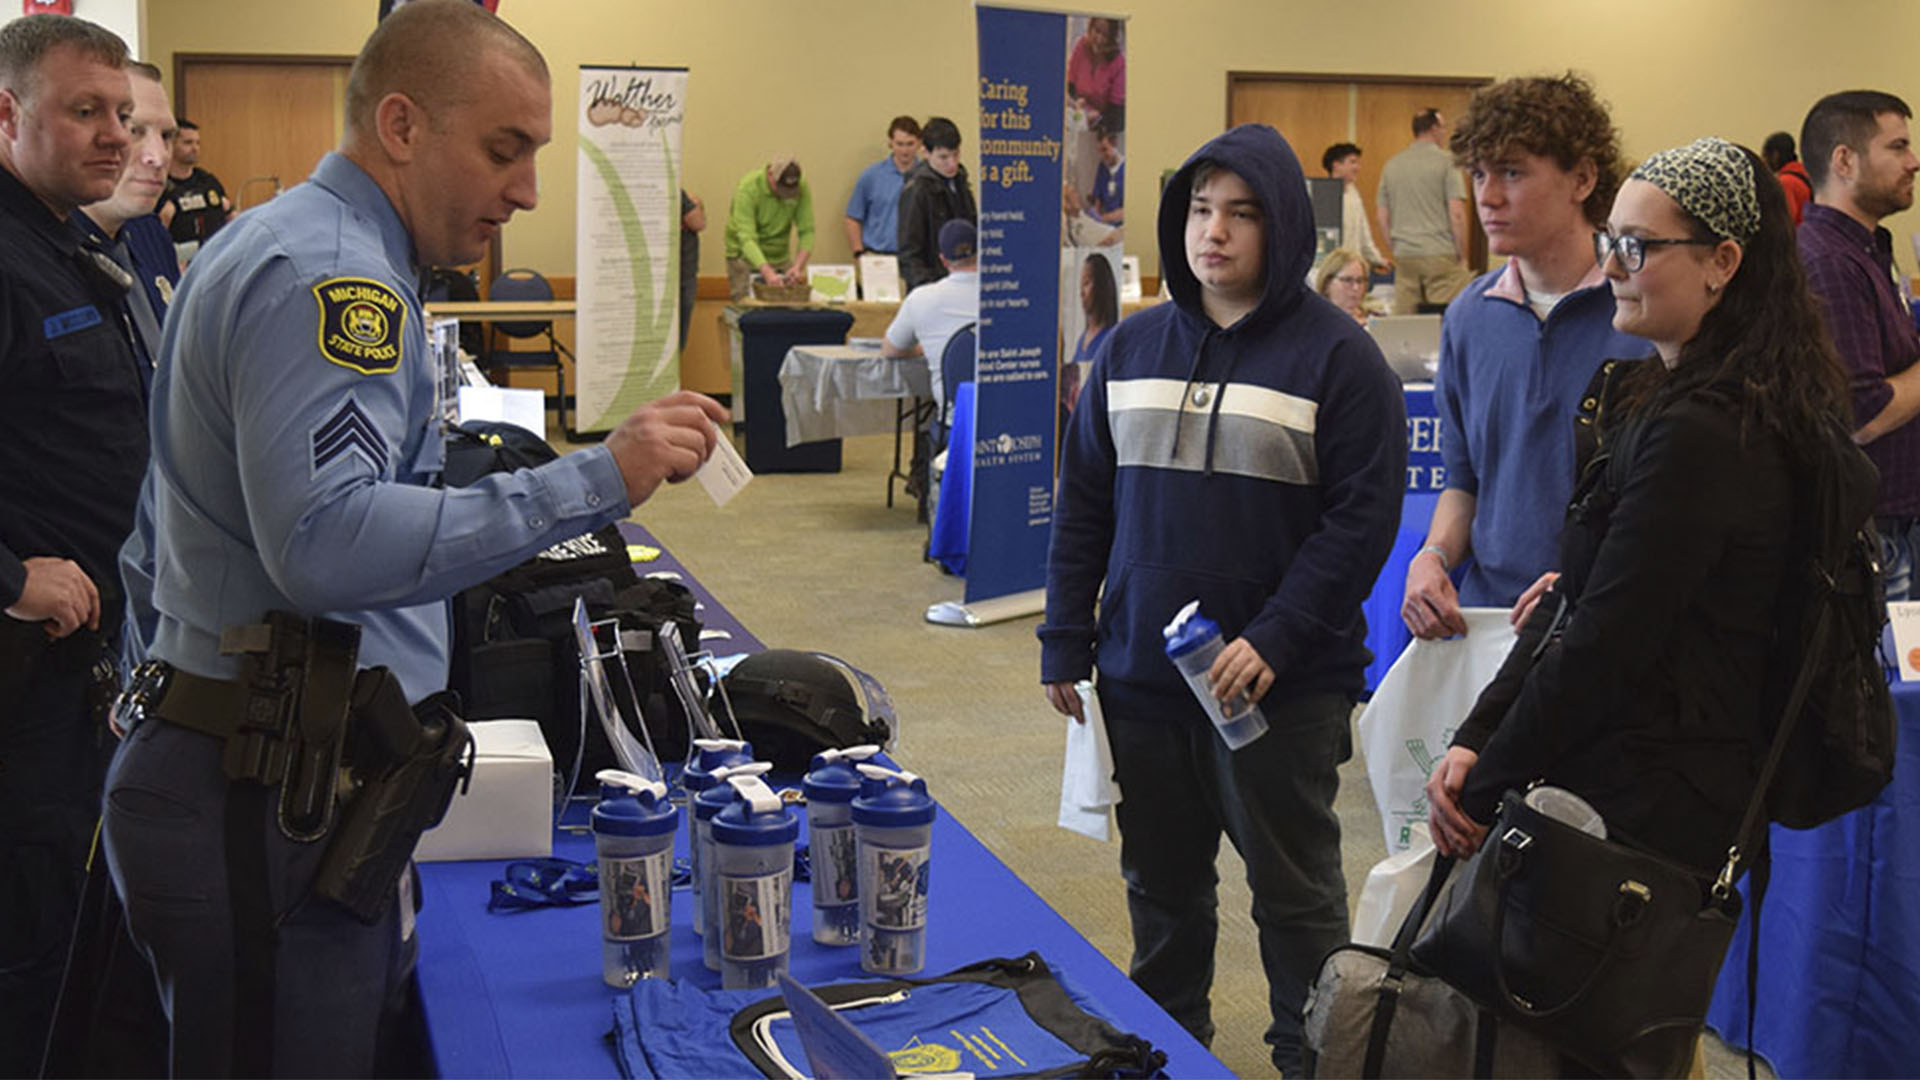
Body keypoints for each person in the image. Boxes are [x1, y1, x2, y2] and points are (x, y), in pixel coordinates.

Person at [100, 4, 731, 1075]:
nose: (527, 188)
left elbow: (158, 541)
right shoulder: (331, 277)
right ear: (400, 124)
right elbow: (326, 542)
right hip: (259, 794)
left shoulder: (295, 243)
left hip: (262, 769)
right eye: (503, 149)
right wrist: (598, 478)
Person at [1039, 124, 1405, 1076]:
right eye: (1201, 210)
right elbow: (1084, 504)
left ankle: (1312, 1064)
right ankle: (1170, 1055)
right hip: (1142, 684)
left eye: (1241, 214)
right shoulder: (1128, 348)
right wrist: (1063, 637)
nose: (1215, 233)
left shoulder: (1341, 361)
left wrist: (1276, 639)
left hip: (1279, 691)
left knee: (1295, 905)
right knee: (1161, 898)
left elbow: (1359, 528)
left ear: (1281, 226)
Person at [1426, 137, 1847, 959]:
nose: (1613, 264)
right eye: (1610, 240)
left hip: (1659, 799)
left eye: (1638, 246)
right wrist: (1481, 737)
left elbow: (1606, 639)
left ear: (1723, 262)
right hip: (1633, 777)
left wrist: (1485, 779)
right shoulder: (1661, 396)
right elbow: (1573, 599)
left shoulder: (1711, 429)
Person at [0, 16, 138, 1075]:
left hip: (83, 658)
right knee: (28, 935)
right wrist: (9, 578)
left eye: (122, 115)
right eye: (85, 111)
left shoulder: (73, 241)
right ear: (9, 113)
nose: (115, 136)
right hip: (20, 676)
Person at [1402, 73, 1643, 640]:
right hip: (1489, 621)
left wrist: (1583, 583)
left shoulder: (1643, 313)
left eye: (1512, 172)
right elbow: (1464, 482)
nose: (1486, 197)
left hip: (1610, 621)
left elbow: (1671, 503)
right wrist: (1432, 556)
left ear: (1582, 178)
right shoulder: (1469, 316)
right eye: (1480, 173)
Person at [1797, 90, 1920, 598]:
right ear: (1844, 160)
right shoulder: (1830, 263)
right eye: (1897, 147)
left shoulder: (1866, 249)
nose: (1914, 161)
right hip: (1878, 531)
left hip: (1894, 518)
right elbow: (1862, 414)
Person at [76, 60, 178, 386]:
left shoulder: (149, 232)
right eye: (135, 130)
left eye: (167, 135)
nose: (158, 156)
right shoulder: (41, 255)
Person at [1376, 107, 1473, 314]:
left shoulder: (1392, 165)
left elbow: (1382, 215)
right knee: (1443, 318)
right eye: (1443, 128)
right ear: (1434, 128)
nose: (1444, 133)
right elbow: (1456, 213)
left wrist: (1394, 246)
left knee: (1406, 323)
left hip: (1404, 254)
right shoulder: (1448, 162)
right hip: (1439, 253)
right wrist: (1462, 255)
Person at [882, 217, 979, 418]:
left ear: (943, 260)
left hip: (955, 424)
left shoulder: (921, 298)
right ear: (981, 253)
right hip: (1004, 422)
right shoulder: (1006, 296)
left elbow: (890, 350)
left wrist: (921, 349)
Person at [898, 116, 976, 292]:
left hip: (962, 281)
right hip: (932, 288)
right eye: (943, 157)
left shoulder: (960, 181)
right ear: (925, 153)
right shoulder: (916, 189)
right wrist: (931, 290)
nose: (952, 163)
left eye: (956, 154)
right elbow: (909, 254)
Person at [723, 155, 813, 300]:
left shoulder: (800, 186)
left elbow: (807, 230)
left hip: (779, 255)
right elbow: (747, 238)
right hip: (743, 256)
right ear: (770, 175)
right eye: (781, 188)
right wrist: (767, 272)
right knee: (746, 306)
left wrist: (798, 266)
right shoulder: (747, 189)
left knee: (788, 305)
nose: (785, 195)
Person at [844, 115, 920, 260]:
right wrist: (859, 253)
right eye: (900, 144)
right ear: (890, 143)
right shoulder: (871, 176)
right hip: (877, 257)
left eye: (910, 144)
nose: (905, 150)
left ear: (919, 144)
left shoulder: (927, 178)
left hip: (915, 258)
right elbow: (852, 217)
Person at [158, 117, 231, 259]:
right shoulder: (160, 185)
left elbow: (231, 215)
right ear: (170, 145)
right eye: (188, 143)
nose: (195, 148)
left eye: (198, 143)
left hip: (213, 257)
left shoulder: (207, 181)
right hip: (178, 262)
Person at [1064, 251, 1119, 421]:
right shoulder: (1082, 338)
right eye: (1081, 284)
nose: (1082, 292)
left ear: (1101, 287)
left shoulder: (1110, 339)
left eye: (1087, 283)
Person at [1321, 142, 1388, 272]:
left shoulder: (1353, 193)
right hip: (1332, 268)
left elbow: (1364, 235)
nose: (1358, 167)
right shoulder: (1324, 195)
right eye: (1352, 162)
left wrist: (1377, 259)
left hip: (1354, 265)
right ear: (1336, 165)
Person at [1066, 16, 1125, 120]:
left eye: (1105, 35)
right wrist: (1078, 100)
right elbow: (1070, 84)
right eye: (1097, 31)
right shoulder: (1081, 45)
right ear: (1090, 27)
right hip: (1078, 113)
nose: (1099, 39)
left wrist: (1099, 116)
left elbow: (1116, 111)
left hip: (1102, 122)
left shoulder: (1118, 62)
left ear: (1112, 38)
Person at [1763, 130, 1814, 225]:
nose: (1764, 162)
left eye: (1765, 156)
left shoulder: (1785, 183)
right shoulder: (1806, 174)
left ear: (1775, 155)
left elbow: (1785, 223)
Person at [1314, 247, 1376, 325]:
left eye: (1360, 281)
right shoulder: (1315, 323)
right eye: (1347, 280)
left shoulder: (1373, 321)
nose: (1356, 287)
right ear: (1327, 283)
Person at [678, 188, 702, 353]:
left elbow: (699, 222)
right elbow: (698, 222)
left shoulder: (678, 194)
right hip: (681, 278)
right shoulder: (676, 192)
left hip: (684, 275)